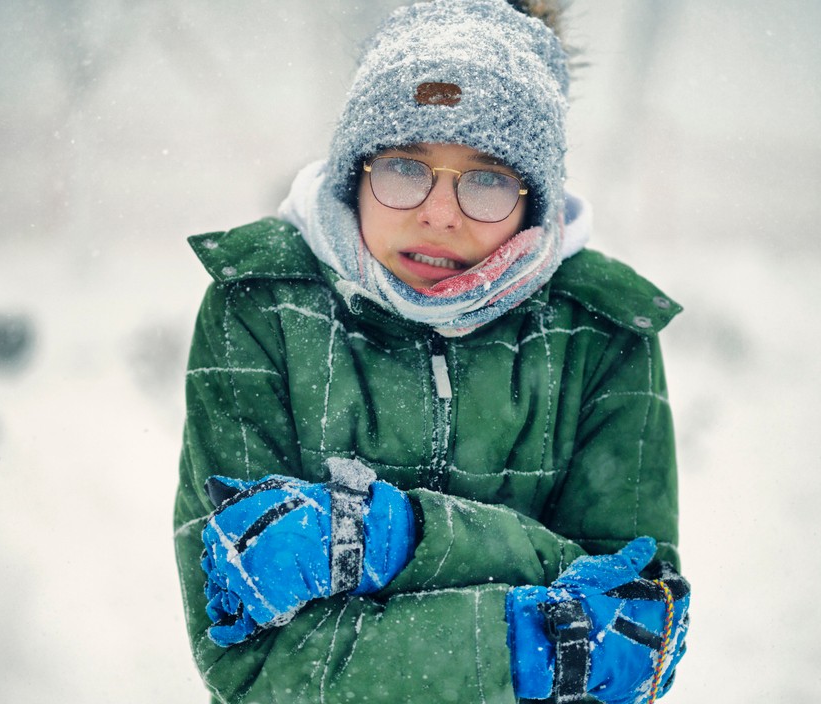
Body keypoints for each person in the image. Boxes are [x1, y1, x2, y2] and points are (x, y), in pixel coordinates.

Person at [172, 1, 691, 702]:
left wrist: (390, 538)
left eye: (485, 177)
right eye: (404, 166)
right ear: (354, 172)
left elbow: (633, 632)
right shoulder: (262, 305)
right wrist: (526, 637)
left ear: (532, 198)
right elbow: (250, 664)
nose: (439, 213)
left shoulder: (600, 332)